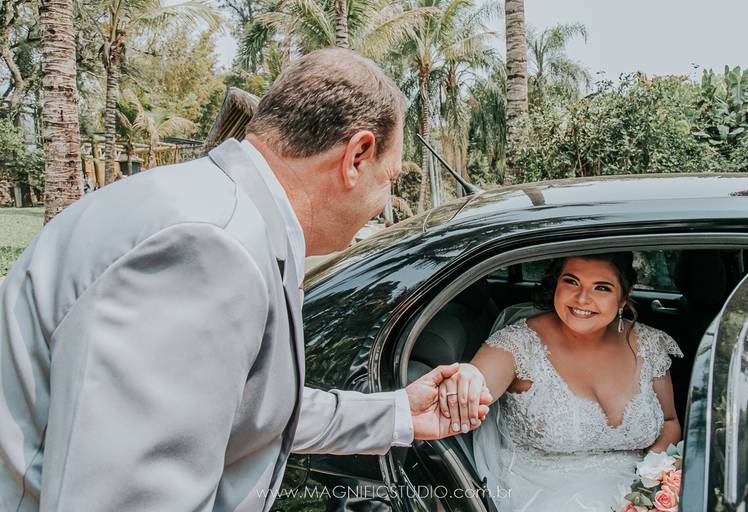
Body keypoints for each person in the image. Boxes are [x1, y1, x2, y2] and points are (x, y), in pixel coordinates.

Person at [0, 48, 491, 511]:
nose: (384, 204)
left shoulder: (218, 213)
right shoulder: (210, 248)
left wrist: (401, 413)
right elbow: (129, 498)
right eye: (390, 178)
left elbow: (242, 410)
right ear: (357, 156)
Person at [438, 253, 683, 511]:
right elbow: (478, 381)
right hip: (544, 496)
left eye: (601, 287)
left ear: (623, 297)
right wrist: (469, 377)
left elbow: (669, 422)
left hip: (635, 492)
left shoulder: (649, 345)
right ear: (556, 283)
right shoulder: (518, 344)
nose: (582, 299)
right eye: (571, 281)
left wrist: (647, 489)